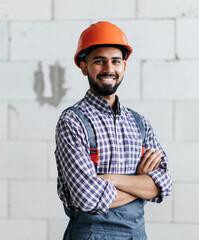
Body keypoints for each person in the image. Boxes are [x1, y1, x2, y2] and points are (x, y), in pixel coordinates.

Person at [55, 21, 172, 240]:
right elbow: (86, 197)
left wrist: (110, 179)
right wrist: (139, 182)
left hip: (137, 235)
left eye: (115, 61)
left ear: (124, 66)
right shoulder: (72, 121)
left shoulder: (140, 123)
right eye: (99, 61)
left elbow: (162, 185)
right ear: (83, 66)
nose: (109, 69)